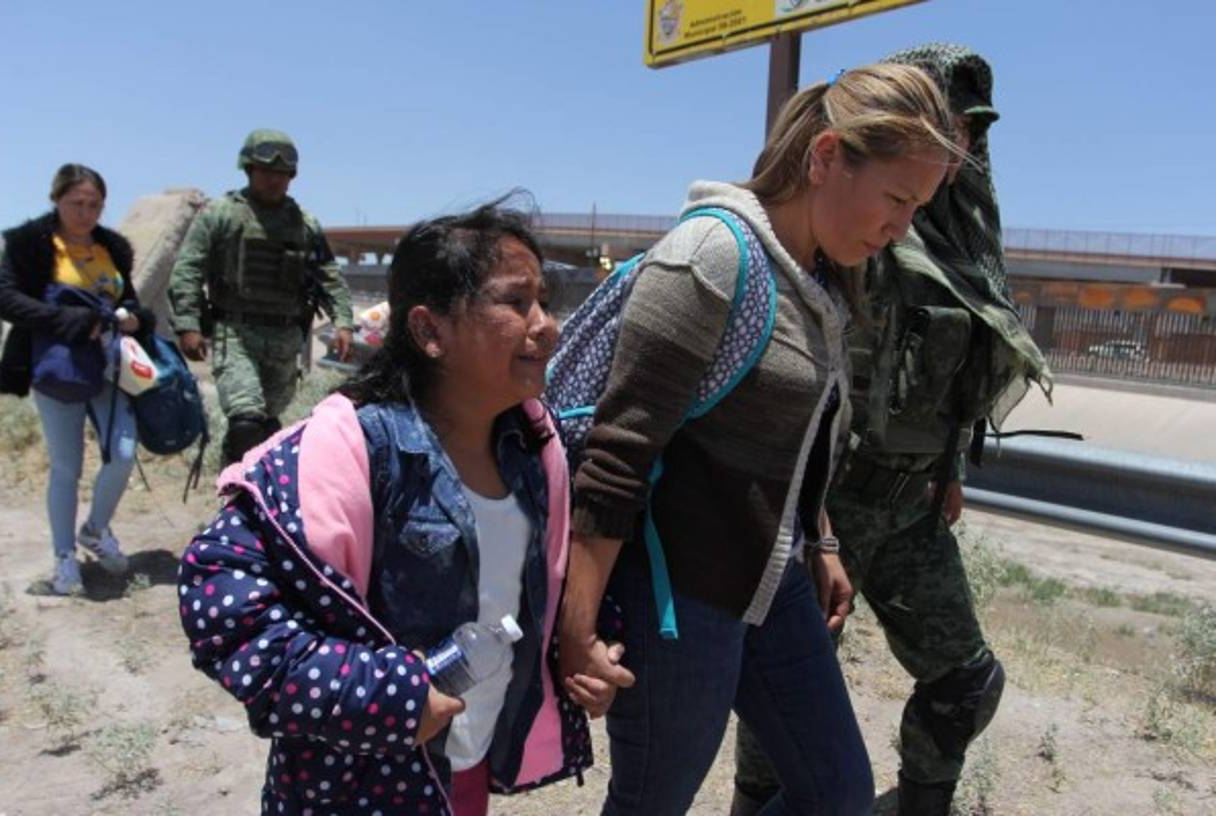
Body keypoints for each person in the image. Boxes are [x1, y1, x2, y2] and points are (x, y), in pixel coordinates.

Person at [555, 63, 959, 816]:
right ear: (827, 156)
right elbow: (619, 456)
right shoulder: (709, 256)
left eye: (919, 207)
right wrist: (574, 627)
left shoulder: (823, 283)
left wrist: (822, 538)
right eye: (898, 198)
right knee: (652, 802)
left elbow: (792, 439)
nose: (903, 226)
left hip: (772, 586)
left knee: (837, 792)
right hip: (680, 596)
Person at [177, 198, 615, 815]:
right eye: (516, 303)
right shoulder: (349, 450)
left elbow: (536, 586)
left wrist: (589, 643)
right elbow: (220, 599)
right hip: (352, 792)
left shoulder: (534, 451)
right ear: (430, 331)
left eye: (544, 301)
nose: (545, 324)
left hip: (459, 773)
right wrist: (384, 697)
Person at [729, 44, 1053, 816]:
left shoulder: (963, 249)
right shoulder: (849, 226)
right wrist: (819, 527)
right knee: (787, 719)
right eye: (952, 125)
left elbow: (943, 378)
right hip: (827, 509)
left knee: (965, 680)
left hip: (910, 510)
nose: (966, 145)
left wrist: (950, 472)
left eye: (974, 131)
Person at [0, 164, 153, 595]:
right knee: (67, 466)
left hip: (110, 369)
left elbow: (128, 297)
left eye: (95, 204)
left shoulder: (113, 247)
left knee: (122, 452)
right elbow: (3, 297)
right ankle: (65, 561)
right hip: (57, 366)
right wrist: (68, 321)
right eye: (76, 203)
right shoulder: (30, 244)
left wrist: (137, 317)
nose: (86, 213)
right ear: (56, 200)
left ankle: (95, 530)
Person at [167, 128, 355, 467]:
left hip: (284, 338)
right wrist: (187, 324)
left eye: (282, 175)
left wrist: (344, 322)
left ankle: (253, 501)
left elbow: (329, 275)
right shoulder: (222, 214)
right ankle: (236, 504)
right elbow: (188, 269)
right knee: (246, 421)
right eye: (267, 172)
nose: (275, 181)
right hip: (236, 333)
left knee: (268, 430)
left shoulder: (304, 223)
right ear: (250, 170)